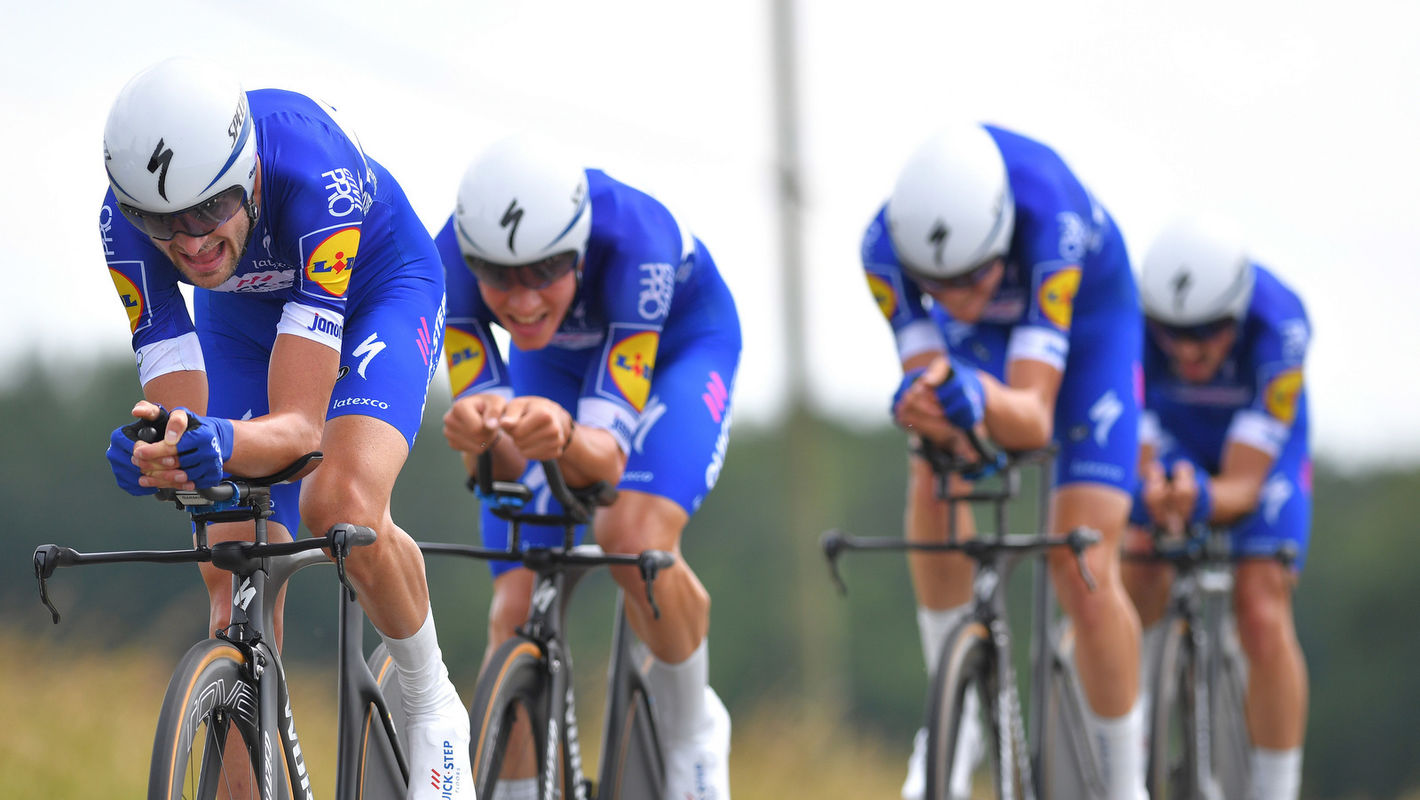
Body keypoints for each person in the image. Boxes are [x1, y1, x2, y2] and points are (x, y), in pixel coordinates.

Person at [99, 58, 471, 799]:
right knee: (228, 555)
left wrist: (221, 442)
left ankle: (432, 699)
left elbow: (300, 433)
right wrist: (166, 453)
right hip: (244, 319)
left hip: (375, 289)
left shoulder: (313, 172)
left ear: (249, 174)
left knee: (342, 501)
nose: (191, 244)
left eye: (211, 209)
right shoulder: (123, 225)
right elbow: (184, 422)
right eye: (165, 224)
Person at [436, 135, 740, 800]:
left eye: (544, 271)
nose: (521, 302)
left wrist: (566, 435)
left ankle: (692, 731)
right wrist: (477, 435)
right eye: (499, 277)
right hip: (556, 362)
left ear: (577, 249)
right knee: (515, 602)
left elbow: (602, 466)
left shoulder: (637, 245)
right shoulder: (449, 264)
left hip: (677, 351)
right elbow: (498, 467)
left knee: (629, 535)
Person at [865, 123, 1148, 799]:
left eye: (974, 277)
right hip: (988, 345)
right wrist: (937, 412)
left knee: (1082, 560)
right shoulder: (881, 250)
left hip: (1091, 337)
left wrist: (979, 396)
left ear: (1002, 234)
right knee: (931, 465)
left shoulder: (1051, 217)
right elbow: (936, 398)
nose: (957, 297)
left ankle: (1123, 782)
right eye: (937, 286)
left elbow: (1032, 418)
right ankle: (955, 718)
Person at [1124, 217, 1311, 800]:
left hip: (1260, 458)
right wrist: (1158, 494)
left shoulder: (1280, 324)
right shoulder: (1132, 319)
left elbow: (1246, 485)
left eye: (1207, 333)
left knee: (1260, 607)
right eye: (1171, 333)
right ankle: (1131, 732)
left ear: (1238, 310)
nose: (1187, 350)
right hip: (1175, 439)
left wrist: (1202, 499)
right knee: (1136, 559)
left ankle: (1275, 789)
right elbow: (1141, 455)